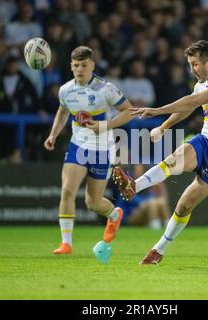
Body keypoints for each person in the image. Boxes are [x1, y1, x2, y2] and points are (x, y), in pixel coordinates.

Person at [112, 40, 208, 264]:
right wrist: (164, 126)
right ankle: (134, 186)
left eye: (195, 64)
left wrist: (157, 111)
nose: (192, 69)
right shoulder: (201, 84)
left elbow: (193, 100)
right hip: (206, 139)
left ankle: (159, 250)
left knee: (184, 205)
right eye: (189, 64)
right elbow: (187, 108)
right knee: (176, 158)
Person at [44, 46, 132, 254]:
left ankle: (114, 215)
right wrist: (53, 135)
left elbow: (129, 111)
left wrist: (105, 126)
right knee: (67, 190)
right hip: (78, 146)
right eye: (76, 65)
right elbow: (63, 111)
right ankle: (66, 243)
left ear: (92, 65)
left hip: (102, 150)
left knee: (93, 203)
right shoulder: (66, 90)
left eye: (84, 65)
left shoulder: (106, 89)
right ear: (71, 67)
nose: (80, 69)